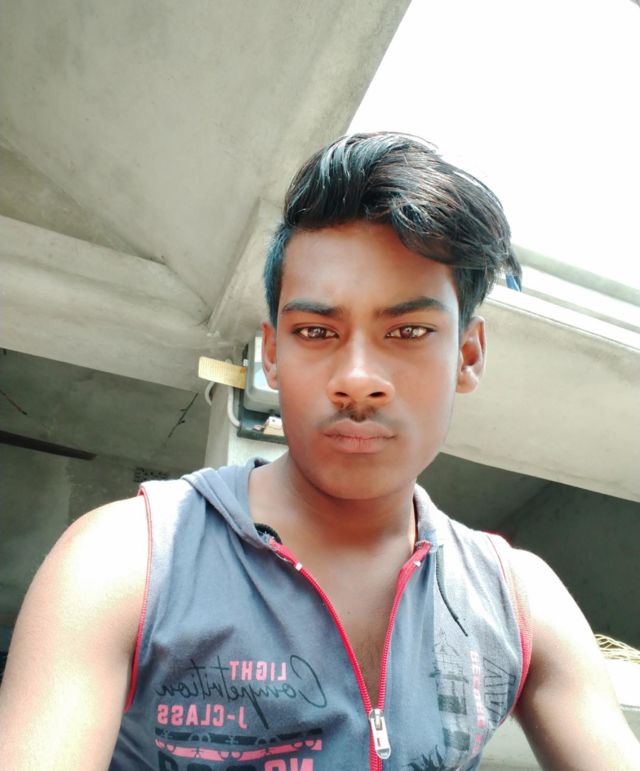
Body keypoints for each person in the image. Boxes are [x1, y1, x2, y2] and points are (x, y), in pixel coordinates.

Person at [0, 132, 638, 771]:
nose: (357, 378)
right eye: (315, 331)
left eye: (408, 330)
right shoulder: (128, 560)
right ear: (273, 354)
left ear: (467, 355)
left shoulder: (517, 601)